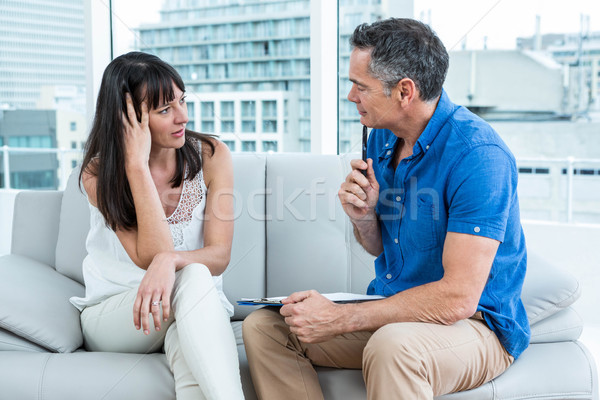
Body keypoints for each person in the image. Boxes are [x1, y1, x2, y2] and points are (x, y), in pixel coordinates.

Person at [242, 18, 530, 400]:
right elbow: (382, 248)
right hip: (396, 310)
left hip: (475, 326)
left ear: (404, 91)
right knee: (267, 327)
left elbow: (458, 298)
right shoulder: (382, 134)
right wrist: (364, 218)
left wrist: (341, 317)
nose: (350, 96)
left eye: (360, 86)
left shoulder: (479, 157)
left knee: (393, 345)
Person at [70, 51, 244, 400]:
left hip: (192, 308)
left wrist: (170, 261)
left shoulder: (211, 154)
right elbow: (154, 254)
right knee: (193, 274)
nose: (183, 116)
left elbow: (220, 255)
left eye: (182, 100)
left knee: (192, 353)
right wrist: (135, 164)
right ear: (127, 119)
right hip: (119, 314)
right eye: (165, 110)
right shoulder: (96, 174)